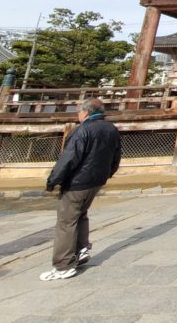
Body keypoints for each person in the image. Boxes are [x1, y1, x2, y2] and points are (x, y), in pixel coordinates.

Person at [39, 98, 121, 281]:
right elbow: (116, 156)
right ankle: (81, 249)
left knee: (66, 221)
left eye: (79, 111)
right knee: (80, 214)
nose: (78, 115)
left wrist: (53, 180)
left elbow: (68, 158)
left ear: (86, 112)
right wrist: (108, 173)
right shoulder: (111, 129)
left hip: (77, 182)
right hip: (96, 180)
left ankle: (63, 265)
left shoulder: (82, 130)